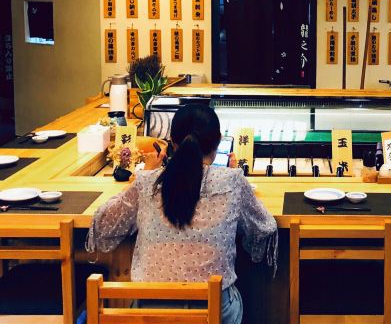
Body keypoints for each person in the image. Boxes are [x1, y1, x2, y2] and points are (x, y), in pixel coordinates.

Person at [86, 104, 277, 324]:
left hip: (152, 314)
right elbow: (265, 228)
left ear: (173, 143)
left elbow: (103, 224)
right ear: (218, 142)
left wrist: (145, 174)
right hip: (214, 313)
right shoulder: (232, 181)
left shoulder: (148, 182)